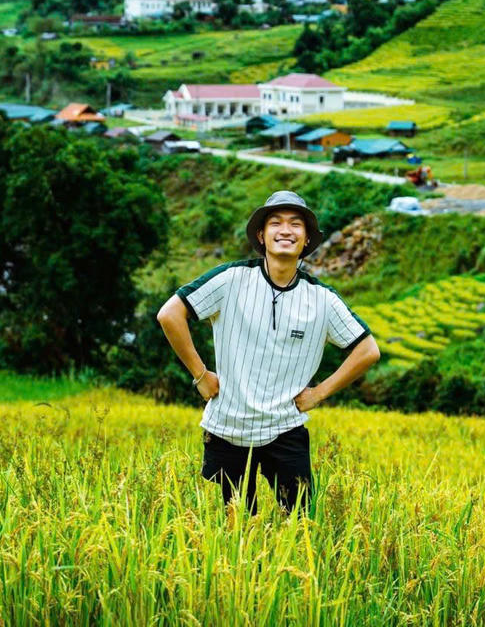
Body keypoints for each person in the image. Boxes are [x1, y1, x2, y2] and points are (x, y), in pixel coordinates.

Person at [156, 190, 382, 517]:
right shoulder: (231, 279)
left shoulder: (321, 299)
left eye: (295, 224)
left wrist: (320, 393)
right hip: (227, 428)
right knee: (233, 526)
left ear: (306, 240)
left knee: (299, 523)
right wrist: (201, 375)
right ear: (262, 236)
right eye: (275, 223)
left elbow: (367, 349)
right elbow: (170, 314)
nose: (285, 230)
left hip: (285, 428)